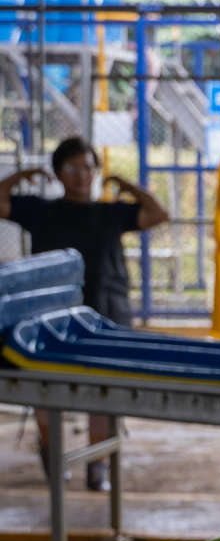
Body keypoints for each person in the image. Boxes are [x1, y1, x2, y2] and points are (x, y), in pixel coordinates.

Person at [0, 137, 171, 489]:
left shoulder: (111, 212)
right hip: (52, 319)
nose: (82, 176)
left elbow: (158, 214)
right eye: (73, 168)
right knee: (45, 390)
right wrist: (18, 176)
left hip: (106, 311)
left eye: (88, 167)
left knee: (103, 393)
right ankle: (52, 451)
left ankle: (98, 466)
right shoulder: (40, 210)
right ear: (58, 173)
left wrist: (129, 187)